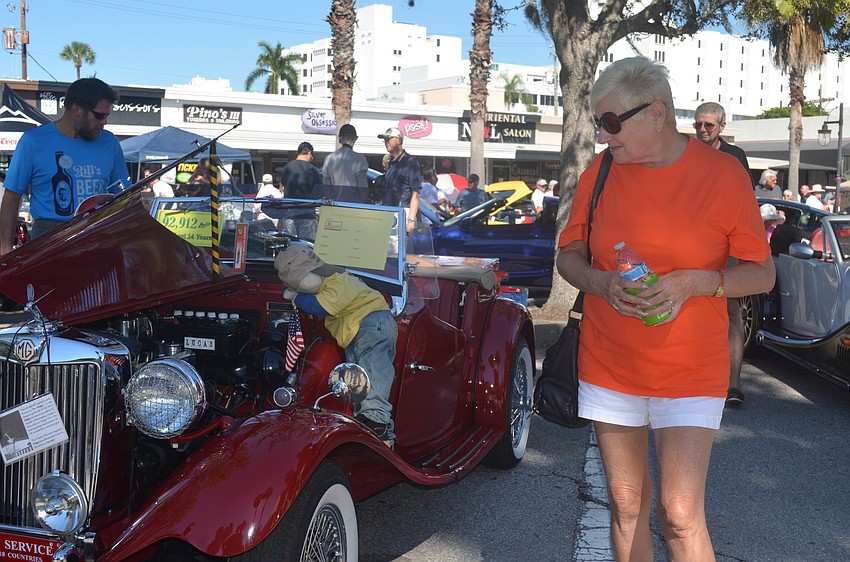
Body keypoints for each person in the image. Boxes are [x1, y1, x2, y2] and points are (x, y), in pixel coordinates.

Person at [556, 57, 774, 561]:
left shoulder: (721, 174)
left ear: (656, 113)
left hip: (692, 367)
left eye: (612, 122)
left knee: (678, 515)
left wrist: (702, 281)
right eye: (598, 123)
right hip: (611, 362)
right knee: (627, 503)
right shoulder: (600, 172)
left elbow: (762, 272)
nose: (605, 135)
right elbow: (569, 257)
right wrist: (601, 282)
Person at [275, 245, 398, 446]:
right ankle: (364, 418)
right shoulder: (328, 284)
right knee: (358, 376)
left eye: (301, 283)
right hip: (356, 329)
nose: (300, 288)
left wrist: (295, 296)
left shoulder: (339, 281)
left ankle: (377, 421)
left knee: (372, 368)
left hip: (372, 322)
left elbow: (319, 306)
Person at [0, 78, 129, 250]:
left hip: (95, 235)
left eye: (107, 116)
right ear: (76, 109)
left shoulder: (110, 142)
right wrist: (5, 249)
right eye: (99, 115)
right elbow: (11, 197)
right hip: (48, 236)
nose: (104, 122)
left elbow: (124, 197)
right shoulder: (33, 141)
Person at [693, 101, 752, 406]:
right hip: (689, 243)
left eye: (709, 125)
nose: (702, 130)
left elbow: (745, 206)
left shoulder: (735, 157)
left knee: (732, 313)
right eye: (698, 125)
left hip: (726, 244)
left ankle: (734, 385)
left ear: (722, 127)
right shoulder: (685, 153)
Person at [377, 127, 420, 233]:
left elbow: (416, 193)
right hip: (389, 213)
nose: (386, 142)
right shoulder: (391, 163)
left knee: (398, 248)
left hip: (402, 213)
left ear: (399, 140)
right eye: (385, 140)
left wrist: (410, 220)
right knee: (389, 248)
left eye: (389, 139)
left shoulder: (410, 162)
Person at [281, 142, 322, 239]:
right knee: (306, 246)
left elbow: (282, 187)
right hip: (307, 212)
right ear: (309, 153)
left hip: (288, 212)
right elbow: (319, 191)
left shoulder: (287, 167)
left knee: (290, 245)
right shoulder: (313, 170)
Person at [321, 124, 369, 202]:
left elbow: (326, 189)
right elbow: (363, 190)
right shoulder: (359, 159)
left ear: (340, 139)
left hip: (334, 206)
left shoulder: (329, 158)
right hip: (353, 206)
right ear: (355, 139)